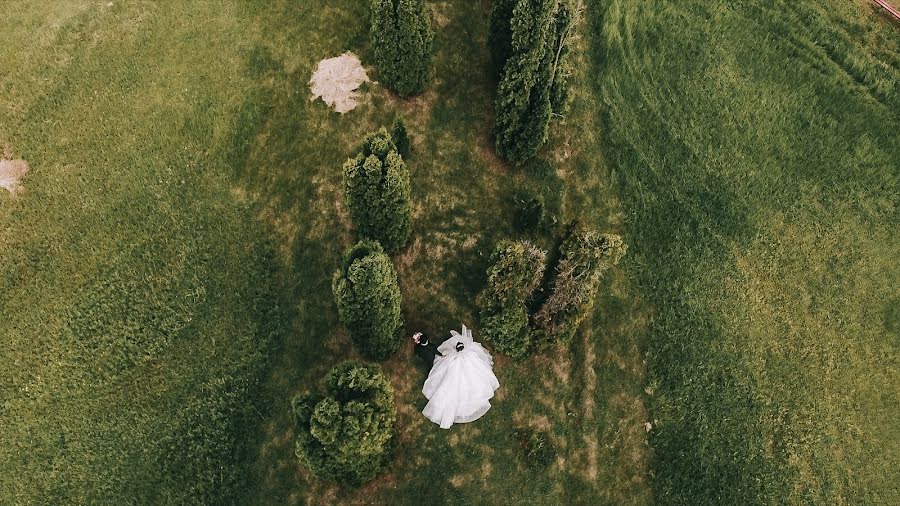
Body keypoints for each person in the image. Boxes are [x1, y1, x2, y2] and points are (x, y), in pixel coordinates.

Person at [422, 324, 500, 429]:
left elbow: (446, 355)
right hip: (467, 363)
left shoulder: (454, 356)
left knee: (451, 378)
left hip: (456, 364)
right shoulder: (469, 354)